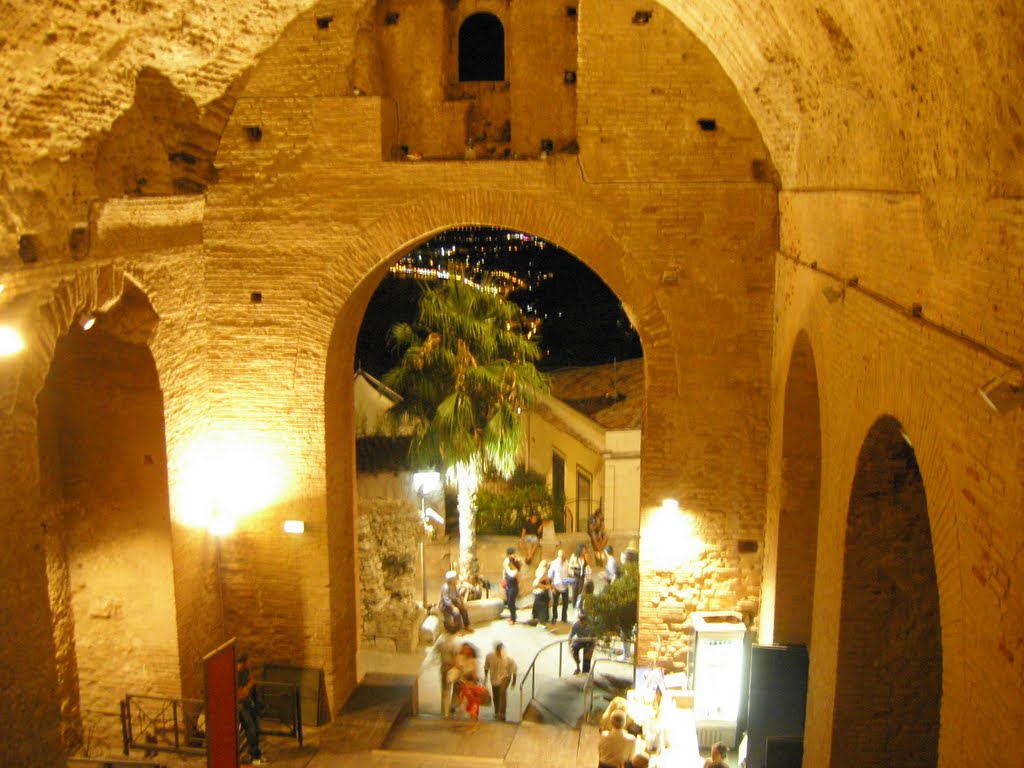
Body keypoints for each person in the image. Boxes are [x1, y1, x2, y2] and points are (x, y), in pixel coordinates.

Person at [236, 653, 266, 765]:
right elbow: (241, 694)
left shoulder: (246, 670)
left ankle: (255, 754)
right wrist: (248, 686)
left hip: (248, 703)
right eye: (248, 661)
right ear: (243, 662)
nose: (250, 663)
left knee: (256, 728)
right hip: (241, 706)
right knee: (251, 730)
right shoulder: (237, 674)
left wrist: (247, 687)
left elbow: (252, 680)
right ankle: (254, 756)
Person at [454, 643, 489, 720]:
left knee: (473, 699)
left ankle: (473, 715)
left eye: (468, 649)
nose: (467, 651)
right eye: (465, 649)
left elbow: (475, 672)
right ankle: (468, 712)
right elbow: (457, 669)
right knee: (467, 697)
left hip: (471, 682)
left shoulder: (473, 660)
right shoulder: (459, 658)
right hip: (462, 681)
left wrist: (476, 680)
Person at [484, 641, 517, 722]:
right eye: (497, 650)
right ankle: (497, 711)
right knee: (496, 696)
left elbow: (514, 670)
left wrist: (513, 681)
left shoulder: (508, 658)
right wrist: (485, 677)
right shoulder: (489, 656)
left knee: (502, 693)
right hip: (494, 678)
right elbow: (486, 667)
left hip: (505, 677)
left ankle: (502, 713)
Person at [436, 633, 460, 718]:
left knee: (445, 690)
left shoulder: (441, 643)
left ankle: (445, 712)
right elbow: (457, 657)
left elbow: (436, 653)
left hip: (444, 667)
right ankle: (453, 706)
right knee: (456, 688)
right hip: (454, 668)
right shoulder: (456, 643)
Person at [548, 548, 571, 623]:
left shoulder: (567, 563)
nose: (566, 557)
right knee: (555, 603)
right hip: (556, 586)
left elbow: (568, 573)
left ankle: (564, 618)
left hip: (565, 586)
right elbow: (550, 576)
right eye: (564, 556)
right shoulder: (554, 563)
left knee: (565, 604)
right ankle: (554, 617)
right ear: (560, 557)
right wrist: (552, 587)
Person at [501, 547, 521, 624]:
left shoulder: (515, 565)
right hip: (508, 585)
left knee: (511, 602)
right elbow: (504, 571)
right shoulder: (507, 563)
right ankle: (512, 616)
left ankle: (513, 618)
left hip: (513, 586)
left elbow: (517, 575)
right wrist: (503, 580)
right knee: (509, 602)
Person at [530, 559, 553, 625]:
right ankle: (542, 622)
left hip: (540, 593)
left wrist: (550, 586)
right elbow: (536, 584)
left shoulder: (540, 571)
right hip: (541, 593)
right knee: (542, 610)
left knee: (539, 609)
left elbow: (546, 581)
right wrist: (546, 587)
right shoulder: (543, 572)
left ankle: (539, 621)